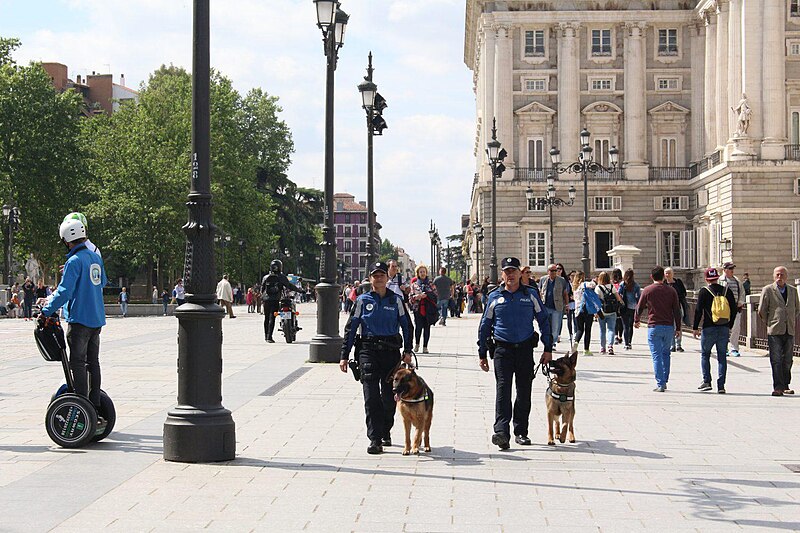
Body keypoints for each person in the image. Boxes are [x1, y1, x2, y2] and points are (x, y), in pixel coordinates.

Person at [39, 213, 108, 424]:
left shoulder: (74, 261)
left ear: (67, 239)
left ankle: (81, 403)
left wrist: (46, 310)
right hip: (96, 319)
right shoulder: (94, 257)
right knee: (93, 362)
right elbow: (102, 282)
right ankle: (94, 403)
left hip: (80, 319)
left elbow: (64, 291)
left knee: (77, 362)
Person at [478, 257, 553, 450]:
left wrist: (548, 348)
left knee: (523, 391)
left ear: (520, 273)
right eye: (507, 272)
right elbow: (485, 325)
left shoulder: (530, 295)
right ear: (502, 274)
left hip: (525, 349)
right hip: (503, 350)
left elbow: (544, 320)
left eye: (513, 271)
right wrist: (482, 353)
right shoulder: (495, 296)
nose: (510, 275)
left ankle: (521, 431)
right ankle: (501, 432)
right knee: (503, 390)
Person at [340, 261, 413, 455]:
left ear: (387, 278)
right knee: (371, 396)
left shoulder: (396, 300)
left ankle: (385, 430)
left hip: (391, 352)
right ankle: (374, 438)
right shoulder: (362, 300)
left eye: (382, 275)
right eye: (375, 275)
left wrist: (408, 350)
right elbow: (351, 327)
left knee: (390, 398)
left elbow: (407, 325)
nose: (379, 278)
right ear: (370, 278)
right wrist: (344, 356)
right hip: (368, 350)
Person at [634, 266, 681, 392]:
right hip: (668, 326)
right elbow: (676, 310)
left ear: (651, 277)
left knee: (656, 355)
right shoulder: (671, 291)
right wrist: (678, 328)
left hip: (654, 326)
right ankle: (664, 380)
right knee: (666, 354)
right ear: (664, 276)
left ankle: (660, 383)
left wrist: (636, 320)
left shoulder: (648, 290)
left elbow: (639, 307)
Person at [692, 267, 738, 394]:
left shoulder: (704, 291)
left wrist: (695, 327)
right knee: (722, 356)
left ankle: (707, 381)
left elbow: (698, 311)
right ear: (717, 278)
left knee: (705, 354)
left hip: (708, 327)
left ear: (707, 279)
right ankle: (721, 385)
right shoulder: (726, 291)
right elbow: (733, 309)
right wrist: (730, 325)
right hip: (723, 327)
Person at [758, 266, 800, 396]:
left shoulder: (793, 291)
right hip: (775, 330)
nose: (779, 277)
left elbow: (797, 309)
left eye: (782, 275)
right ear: (773, 276)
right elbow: (761, 310)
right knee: (776, 359)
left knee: (788, 359)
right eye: (777, 275)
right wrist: (770, 322)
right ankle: (778, 387)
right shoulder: (768, 290)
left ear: (786, 276)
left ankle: (786, 384)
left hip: (789, 329)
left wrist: (790, 320)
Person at [261, 259, 302, 342]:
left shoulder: (266, 277)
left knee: (266, 318)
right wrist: (299, 290)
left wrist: (263, 298)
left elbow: (262, 289)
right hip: (275, 299)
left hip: (266, 300)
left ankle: (266, 336)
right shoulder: (281, 276)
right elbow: (289, 286)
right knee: (272, 318)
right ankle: (269, 337)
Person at [538, 264, 569, 351]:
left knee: (555, 327)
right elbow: (540, 292)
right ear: (548, 272)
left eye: (555, 270)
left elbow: (565, 293)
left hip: (557, 308)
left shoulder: (561, 280)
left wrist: (567, 305)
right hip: (545, 306)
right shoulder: (543, 279)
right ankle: (546, 342)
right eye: (552, 271)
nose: (554, 272)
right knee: (545, 326)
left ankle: (552, 343)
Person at [719, 262, 745, 357]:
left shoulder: (737, 281)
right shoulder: (720, 280)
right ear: (725, 270)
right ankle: (724, 347)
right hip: (724, 308)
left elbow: (742, 292)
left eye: (732, 268)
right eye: (730, 269)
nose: (732, 270)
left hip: (735, 307)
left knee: (736, 328)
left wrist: (741, 302)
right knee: (724, 328)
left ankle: (734, 348)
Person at [410, 265, 436, 353]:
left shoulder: (430, 284)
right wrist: (417, 297)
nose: (422, 273)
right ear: (417, 273)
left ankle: (425, 347)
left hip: (428, 309)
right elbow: (410, 298)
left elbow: (435, 295)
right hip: (418, 309)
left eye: (424, 272)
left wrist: (427, 295)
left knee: (427, 328)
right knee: (418, 327)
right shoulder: (414, 285)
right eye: (420, 272)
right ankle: (417, 344)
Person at [595, 271, 623, 355]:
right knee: (611, 329)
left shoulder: (598, 288)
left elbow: (596, 301)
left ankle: (602, 348)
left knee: (602, 330)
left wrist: (596, 312)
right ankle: (610, 346)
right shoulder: (612, 287)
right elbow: (618, 298)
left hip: (602, 312)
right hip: (612, 311)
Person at [571, 271, 597, 356]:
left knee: (580, 329)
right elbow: (593, 285)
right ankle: (586, 349)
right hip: (587, 310)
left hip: (578, 310)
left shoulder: (574, 287)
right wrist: (593, 280)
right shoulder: (584, 284)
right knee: (588, 330)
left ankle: (576, 342)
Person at [664, 267, 688, 353]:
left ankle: (679, 345)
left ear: (673, 273)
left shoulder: (678, 282)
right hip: (667, 309)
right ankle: (672, 345)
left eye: (669, 272)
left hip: (677, 307)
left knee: (678, 326)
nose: (667, 275)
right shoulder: (663, 284)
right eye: (666, 273)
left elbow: (684, 293)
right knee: (670, 327)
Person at [618, 268, 641, 350]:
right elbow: (638, 297)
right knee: (630, 326)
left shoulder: (622, 284)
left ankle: (626, 343)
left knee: (625, 326)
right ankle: (629, 342)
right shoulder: (636, 285)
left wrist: (621, 302)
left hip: (624, 307)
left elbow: (618, 294)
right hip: (633, 307)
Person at [612, 268, 624, 345]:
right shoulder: (622, 283)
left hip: (614, 303)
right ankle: (620, 336)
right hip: (621, 302)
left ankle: (616, 335)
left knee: (615, 320)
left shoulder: (612, 283)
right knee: (621, 320)